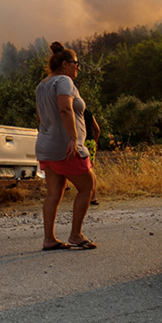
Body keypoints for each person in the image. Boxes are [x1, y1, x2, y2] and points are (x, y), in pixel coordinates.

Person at [35, 42, 96, 251]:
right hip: (65, 146)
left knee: (54, 193)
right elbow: (65, 110)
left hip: (46, 145)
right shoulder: (64, 81)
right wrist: (73, 138)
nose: (78, 68)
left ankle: (49, 239)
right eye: (76, 64)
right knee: (88, 186)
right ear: (65, 64)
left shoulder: (42, 84)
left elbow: (39, 116)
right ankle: (76, 235)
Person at [85, 108, 101, 205]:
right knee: (91, 168)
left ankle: (66, 185)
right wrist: (95, 141)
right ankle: (94, 196)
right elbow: (97, 130)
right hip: (90, 142)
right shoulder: (88, 112)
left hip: (79, 142)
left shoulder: (70, 111)